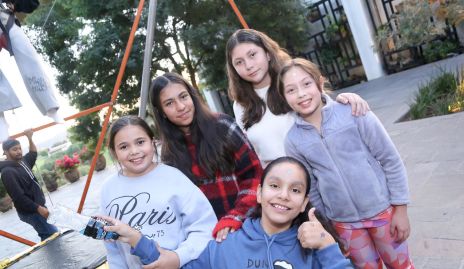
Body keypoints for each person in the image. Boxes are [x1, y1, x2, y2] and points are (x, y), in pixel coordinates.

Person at [279, 58, 414, 269]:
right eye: (291, 90)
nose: (302, 94)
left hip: (382, 212)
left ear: (319, 83)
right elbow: (311, 187)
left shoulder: (353, 111)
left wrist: (401, 208)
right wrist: (329, 227)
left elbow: (390, 159)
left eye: (306, 84)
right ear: (284, 97)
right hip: (344, 225)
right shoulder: (293, 141)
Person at [104, 157, 354, 269]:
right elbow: (170, 265)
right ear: (258, 193)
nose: (284, 195)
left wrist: (327, 245)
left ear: (304, 203)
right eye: (275, 186)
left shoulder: (313, 247)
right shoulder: (225, 245)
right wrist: (136, 239)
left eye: (295, 190)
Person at [226, 28, 370, 166]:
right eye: (239, 62)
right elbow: (254, 156)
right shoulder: (240, 105)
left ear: (267, 53)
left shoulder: (292, 82)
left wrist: (346, 100)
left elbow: (327, 115)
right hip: (284, 184)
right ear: (233, 68)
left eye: (252, 55)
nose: (248, 65)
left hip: (321, 169)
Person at [149, 72, 262, 242]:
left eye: (183, 96)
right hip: (207, 240)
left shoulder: (223, 126)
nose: (181, 106)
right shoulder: (168, 154)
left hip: (247, 226)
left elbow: (254, 175)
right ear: (162, 112)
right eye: (169, 103)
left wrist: (236, 216)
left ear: (192, 96)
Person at [100, 115, 217, 269]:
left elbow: (205, 226)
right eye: (124, 147)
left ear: (152, 141)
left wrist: (178, 257)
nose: (134, 151)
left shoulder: (174, 177)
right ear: (114, 152)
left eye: (140, 142)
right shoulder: (108, 189)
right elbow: (113, 247)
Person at [0, 129, 58, 241]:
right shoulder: (7, 172)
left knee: (50, 237)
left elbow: (33, 153)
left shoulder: (22, 162)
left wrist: (29, 138)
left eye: (19, 148)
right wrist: (38, 208)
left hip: (38, 208)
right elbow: (19, 198)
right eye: (14, 149)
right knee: (52, 236)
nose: (18, 152)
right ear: (6, 152)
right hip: (31, 211)